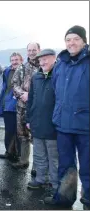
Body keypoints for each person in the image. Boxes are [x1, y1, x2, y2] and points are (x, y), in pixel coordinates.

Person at [44, 25, 89, 210]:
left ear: (84, 41)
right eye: (68, 39)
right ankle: (64, 197)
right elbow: (56, 89)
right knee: (66, 164)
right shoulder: (61, 63)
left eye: (76, 39)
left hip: (86, 125)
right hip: (63, 124)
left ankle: (88, 199)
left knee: (88, 166)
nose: (71, 43)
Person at [26, 49, 58, 191]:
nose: (43, 62)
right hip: (37, 123)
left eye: (46, 59)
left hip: (53, 124)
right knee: (39, 154)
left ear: (54, 58)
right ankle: (40, 179)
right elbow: (31, 99)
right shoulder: (36, 77)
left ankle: (54, 183)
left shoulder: (59, 75)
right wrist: (29, 119)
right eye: (41, 60)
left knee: (54, 157)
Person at [11, 43, 40, 175]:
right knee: (22, 135)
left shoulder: (43, 66)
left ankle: (37, 166)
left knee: (37, 137)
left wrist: (31, 95)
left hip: (37, 109)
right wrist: (22, 94)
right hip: (21, 106)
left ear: (39, 50)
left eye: (34, 50)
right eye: (30, 50)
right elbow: (14, 83)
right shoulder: (22, 67)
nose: (32, 52)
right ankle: (23, 161)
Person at [0, 52, 23, 162]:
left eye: (17, 59)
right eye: (12, 60)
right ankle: (9, 151)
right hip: (7, 105)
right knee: (8, 131)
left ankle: (19, 154)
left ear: (21, 60)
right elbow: (4, 87)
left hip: (20, 105)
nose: (14, 62)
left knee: (20, 132)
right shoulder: (7, 71)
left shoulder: (24, 71)